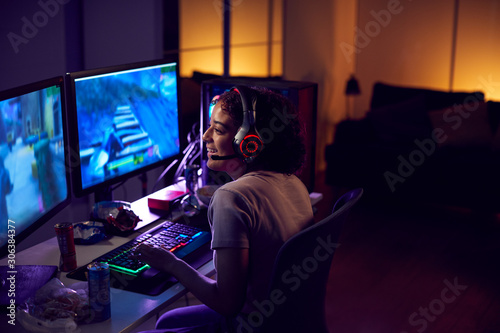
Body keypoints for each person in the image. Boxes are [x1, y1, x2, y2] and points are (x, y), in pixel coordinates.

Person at [135, 86, 314, 333]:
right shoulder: (294, 182)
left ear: (248, 143)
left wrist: (172, 263)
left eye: (218, 130)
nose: (205, 136)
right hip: (284, 319)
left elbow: (227, 303)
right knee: (167, 321)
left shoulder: (232, 197)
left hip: (248, 325)